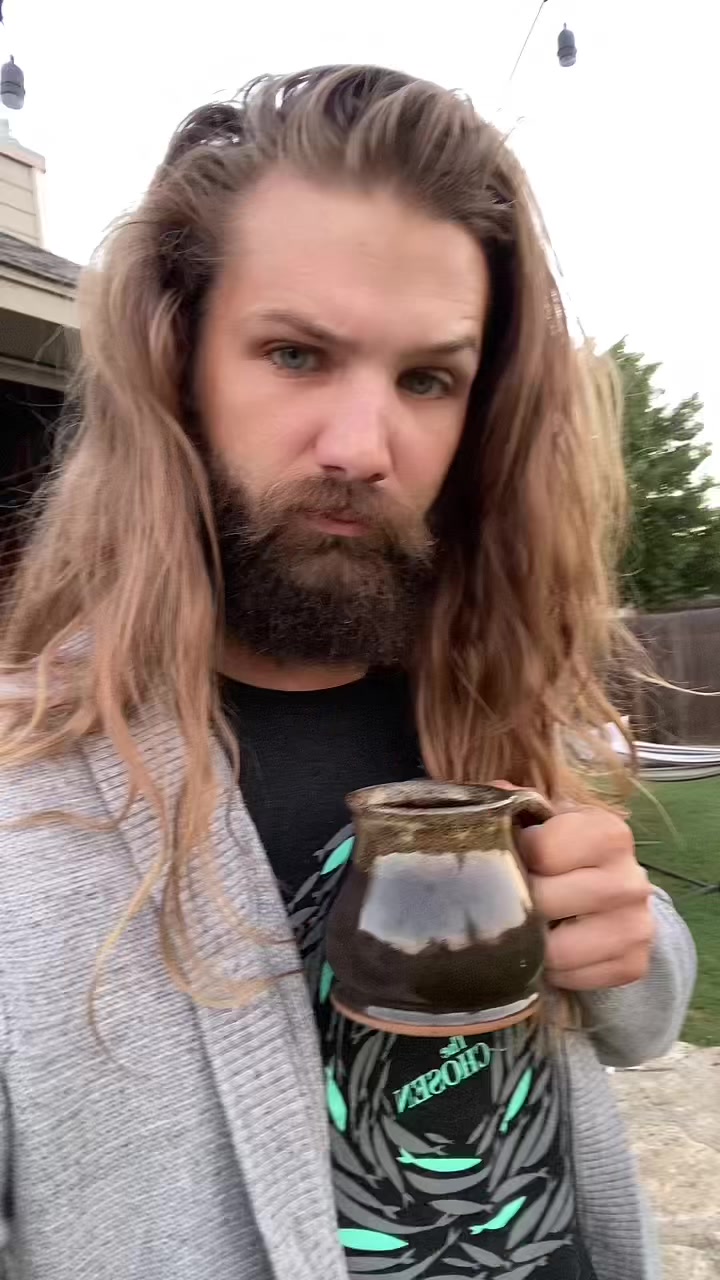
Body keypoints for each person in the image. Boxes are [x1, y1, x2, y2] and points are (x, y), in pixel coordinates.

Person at [0, 65, 695, 1280]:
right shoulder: (25, 799)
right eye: (296, 353)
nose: (363, 447)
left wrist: (630, 942)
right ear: (179, 369)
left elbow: (638, 1003)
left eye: (427, 379)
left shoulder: (488, 694)